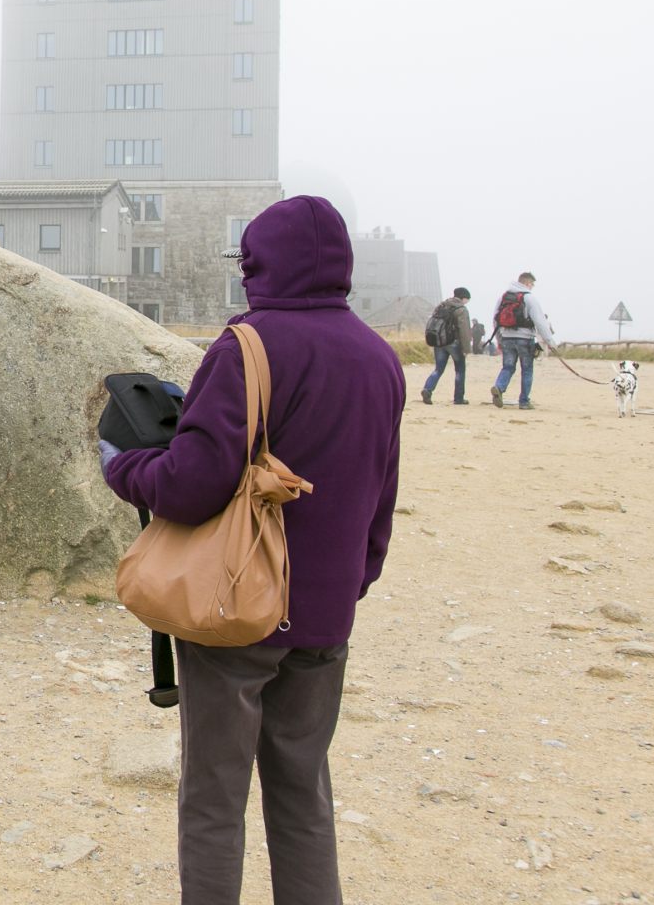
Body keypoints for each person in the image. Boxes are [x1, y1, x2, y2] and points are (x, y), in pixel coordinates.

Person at [99, 194, 403, 905]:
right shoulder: (379, 357)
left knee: (214, 799)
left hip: (237, 607)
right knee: (304, 796)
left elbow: (191, 484)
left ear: (263, 263)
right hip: (326, 614)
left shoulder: (249, 345)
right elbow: (380, 496)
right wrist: (351, 584)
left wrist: (121, 463)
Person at [490, 271, 560, 410]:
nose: (532, 287)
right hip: (525, 338)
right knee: (527, 369)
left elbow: (495, 319)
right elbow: (540, 322)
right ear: (527, 283)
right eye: (532, 284)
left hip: (507, 338)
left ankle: (499, 387)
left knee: (508, 367)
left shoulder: (504, 297)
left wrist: (499, 339)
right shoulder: (529, 298)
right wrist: (550, 342)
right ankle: (524, 401)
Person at [420, 286, 472, 405]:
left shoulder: (441, 306)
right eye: (467, 300)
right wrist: (466, 349)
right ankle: (459, 398)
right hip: (454, 343)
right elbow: (464, 331)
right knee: (460, 370)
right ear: (463, 298)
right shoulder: (461, 309)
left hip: (439, 342)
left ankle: (427, 389)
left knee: (438, 369)